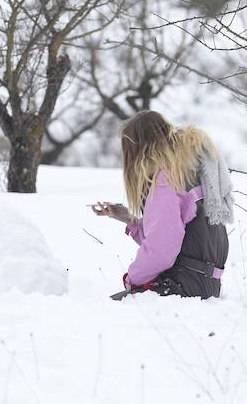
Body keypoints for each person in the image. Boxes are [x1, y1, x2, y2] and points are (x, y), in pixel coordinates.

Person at [91, 110, 232, 300]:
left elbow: (161, 251)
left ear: (138, 150)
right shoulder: (191, 173)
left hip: (185, 283)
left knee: (106, 309)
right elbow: (171, 236)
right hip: (206, 282)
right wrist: (130, 220)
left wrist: (132, 278)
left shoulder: (166, 180)